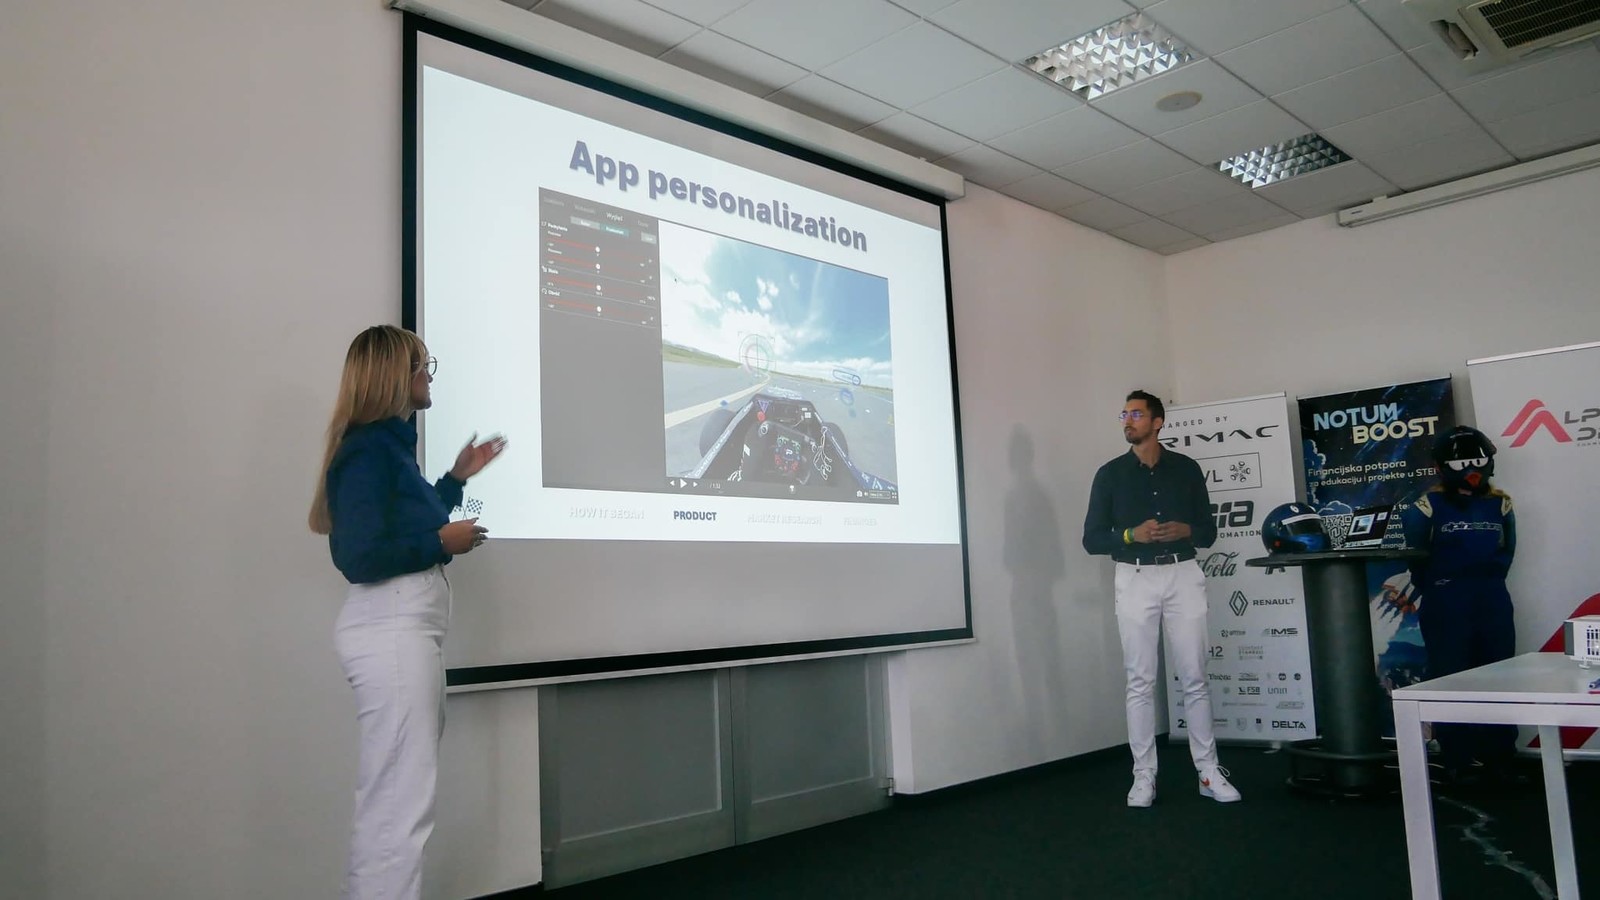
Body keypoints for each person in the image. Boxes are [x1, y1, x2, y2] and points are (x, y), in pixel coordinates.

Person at [307, 325, 507, 899]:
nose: (428, 375)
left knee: (396, 802)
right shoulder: (368, 450)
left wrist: (455, 479)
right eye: (423, 365)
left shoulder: (386, 448)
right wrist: (442, 542)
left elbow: (407, 523)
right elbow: (359, 556)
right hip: (391, 634)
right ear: (396, 375)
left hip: (403, 633)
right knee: (397, 807)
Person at [1082, 390, 1240, 807]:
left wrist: (1187, 530)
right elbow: (1091, 539)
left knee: (1195, 675)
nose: (1127, 421)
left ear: (1157, 422)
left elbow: (1208, 532)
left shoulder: (1186, 469)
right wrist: (1131, 534)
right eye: (1124, 414)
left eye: (1136, 414)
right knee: (1140, 680)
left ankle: (1208, 772)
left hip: (1183, 572)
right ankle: (1143, 776)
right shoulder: (1110, 474)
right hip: (1133, 576)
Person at [1401, 425, 1521, 785]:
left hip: (1492, 599)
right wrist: (1443, 586)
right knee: (1449, 677)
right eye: (1461, 462)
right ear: (1441, 466)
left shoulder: (1501, 504)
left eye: (1477, 461)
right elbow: (1416, 557)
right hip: (1446, 600)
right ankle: (1457, 760)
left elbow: (1507, 552)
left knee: (1499, 676)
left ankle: (1500, 758)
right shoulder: (1426, 507)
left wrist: (1483, 582)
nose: (1471, 469)